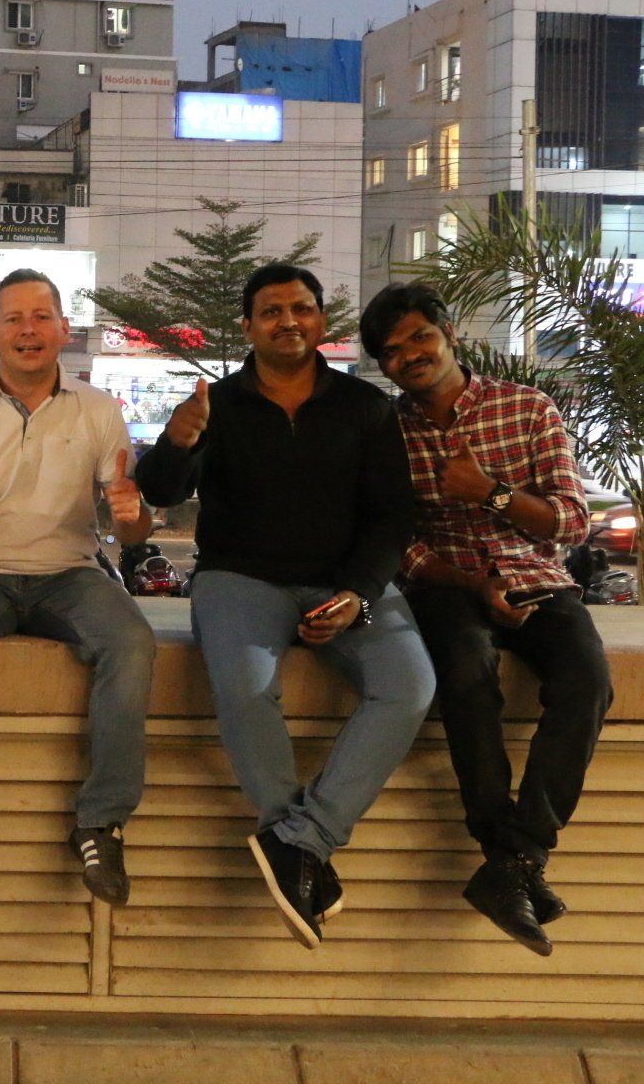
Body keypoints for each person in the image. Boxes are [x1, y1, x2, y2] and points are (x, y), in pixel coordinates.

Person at [137, 264, 433, 950]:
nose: (288, 321)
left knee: (409, 686)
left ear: (320, 321)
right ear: (248, 326)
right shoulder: (217, 404)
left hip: (347, 583)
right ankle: (299, 848)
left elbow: (393, 517)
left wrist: (358, 593)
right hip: (240, 579)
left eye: (301, 308)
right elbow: (159, 491)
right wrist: (178, 441)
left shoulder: (366, 407)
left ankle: (301, 840)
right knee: (245, 687)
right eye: (271, 311)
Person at [362, 282, 613, 955]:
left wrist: (491, 493)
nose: (411, 355)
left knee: (587, 682)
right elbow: (395, 541)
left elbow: (572, 522)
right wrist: (473, 581)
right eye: (393, 351)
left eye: (420, 337)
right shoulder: (386, 431)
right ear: (384, 366)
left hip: (537, 581)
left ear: (449, 334)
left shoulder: (526, 406)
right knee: (467, 674)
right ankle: (509, 861)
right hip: (447, 585)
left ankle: (516, 858)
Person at [0, 269, 157, 907]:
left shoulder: (98, 409)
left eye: (42, 316)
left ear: (64, 330)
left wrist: (133, 516)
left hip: (70, 572)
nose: (28, 330)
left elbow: (131, 528)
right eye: (13, 318)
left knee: (131, 640)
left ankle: (102, 823)